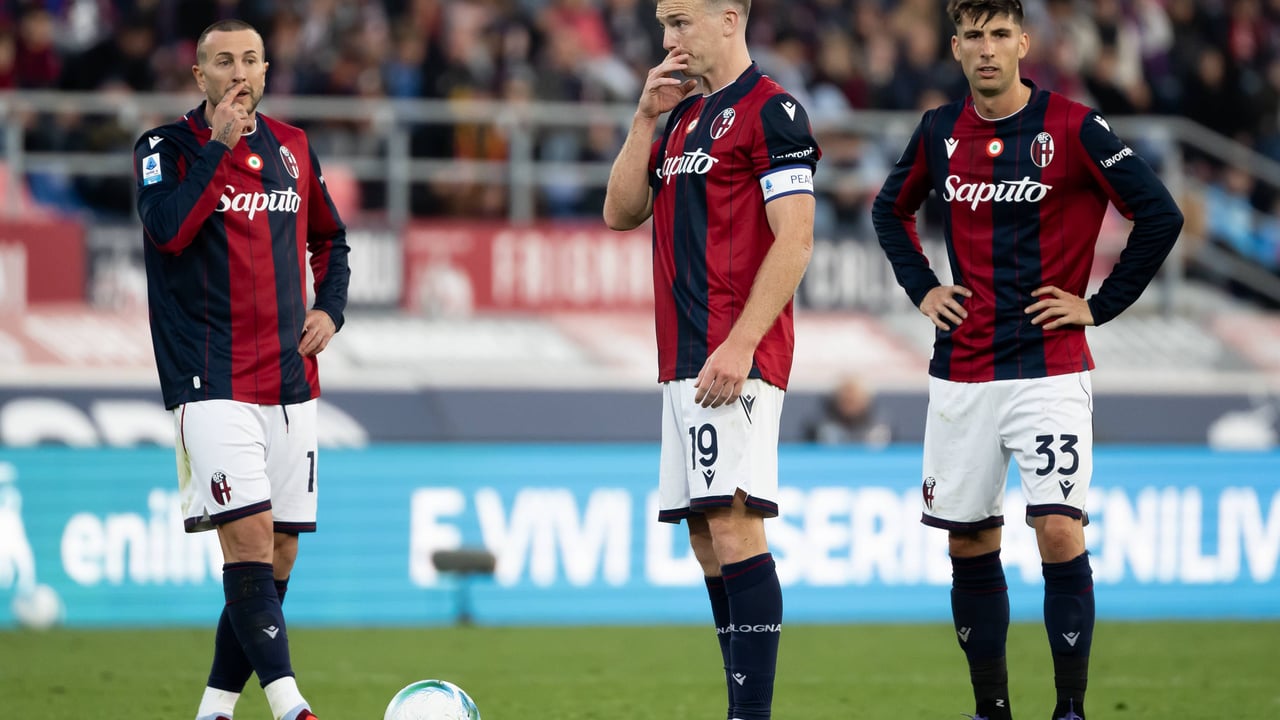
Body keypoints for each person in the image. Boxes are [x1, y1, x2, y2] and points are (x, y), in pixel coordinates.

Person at [870, 2, 1183, 720]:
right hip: (963, 371)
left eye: (999, 35)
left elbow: (1160, 214)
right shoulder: (939, 131)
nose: (987, 50)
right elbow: (890, 211)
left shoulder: (1074, 126)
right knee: (971, 539)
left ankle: (1069, 709)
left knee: (1058, 526)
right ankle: (993, 709)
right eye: (973, 37)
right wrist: (922, 289)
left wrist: (1098, 306)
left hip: (1049, 367)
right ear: (955, 48)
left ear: (1024, 42)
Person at [602, 1, 820, 718]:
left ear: (730, 19)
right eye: (664, 23)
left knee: (733, 523)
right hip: (683, 357)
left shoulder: (772, 112)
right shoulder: (684, 118)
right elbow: (620, 212)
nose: (668, 39)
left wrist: (742, 343)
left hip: (735, 355)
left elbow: (794, 240)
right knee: (705, 536)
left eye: (682, 21)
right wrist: (644, 119)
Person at [132, 19, 350, 720]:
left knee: (278, 553)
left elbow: (332, 240)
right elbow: (169, 230)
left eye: (251, 60)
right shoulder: (163, 148)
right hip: (209, 378)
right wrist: (219, 147)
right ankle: (291, 707)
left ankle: (215, 710)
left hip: (290, 382)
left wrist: (332, 310)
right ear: (200, 76)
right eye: (224, 62)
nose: (239, 73)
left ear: (264, 68)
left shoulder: (292, 146)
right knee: (249, 542)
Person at [807, 374, 892, 447]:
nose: (850, 401)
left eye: (855, 399)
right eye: (846, 399)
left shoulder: (880, 429)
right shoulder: (820, 428)